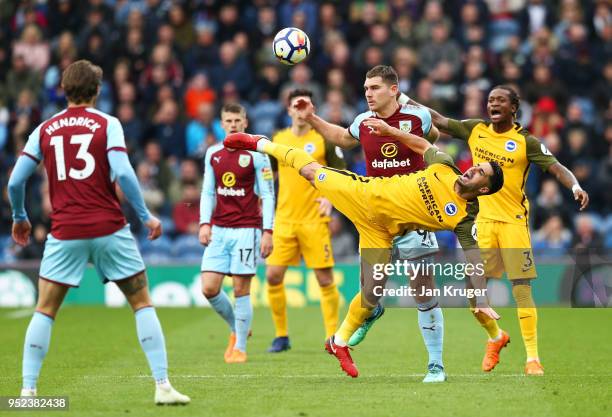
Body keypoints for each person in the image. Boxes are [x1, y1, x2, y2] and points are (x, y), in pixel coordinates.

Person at [223, 119, 504, 378]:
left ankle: (339, 342)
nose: (473, 169)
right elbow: (422, 144)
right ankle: (259, 142)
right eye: (477, 166)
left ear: (483, 189)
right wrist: (390, 131)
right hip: (363, 194)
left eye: (481, 173)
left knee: (372, 292)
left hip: (380, 232)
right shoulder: (444, 165)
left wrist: (480, 299)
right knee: (310, 171)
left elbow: (473, 258)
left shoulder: (466, 218)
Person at [7, 60, 189, 404]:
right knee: (141, 302)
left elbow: (16, 180)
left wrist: (20, 216)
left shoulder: (44, 129)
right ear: (97, 91)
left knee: (45, 309)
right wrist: (146, 215)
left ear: (64, 90)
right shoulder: (108, 124)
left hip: (65, 232)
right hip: (109, 228)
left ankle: (28, 391)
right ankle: (162, 386)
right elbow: (123, 172)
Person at [405, 85, 589, 375]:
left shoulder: (525, 141)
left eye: (500, 100)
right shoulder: (476, 129)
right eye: (490, 100)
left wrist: (575, 186)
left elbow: (555, 166)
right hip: (483, 222)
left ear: (513, 107)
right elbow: (438, 120)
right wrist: (403, 100)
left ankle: (532, 359)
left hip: (514, 222)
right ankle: (496, 336)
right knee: (474, 295)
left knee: (522, 291)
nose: (493, 104)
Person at [298, 64, 450, 383]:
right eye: (366, 88)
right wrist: (312, 118)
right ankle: (374, 309)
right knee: (372, 290)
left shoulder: (416, 118)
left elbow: (433, 139)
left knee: (422, 290)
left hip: (412, 214)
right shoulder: (362, 122)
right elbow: (341, 136)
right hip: (375, 216)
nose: (368, 93)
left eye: (375, 88)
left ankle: (436, 365)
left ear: (394, 89)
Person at [265, 89, 344, 353]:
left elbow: (340, 174)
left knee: (324, 279)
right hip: (284, 220)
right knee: (273, 276)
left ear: (312, 109)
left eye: (305, 105)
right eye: (295, 105)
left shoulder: (323, 139)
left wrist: (331, 200)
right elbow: (269, 177)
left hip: (314, 220)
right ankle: (281, 335)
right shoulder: (278, 140)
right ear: (288, 110)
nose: (300, 110)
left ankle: (333, 337)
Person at [199, 103, 275, 363]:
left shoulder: (257, 155)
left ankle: (240, 347)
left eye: (237, 120)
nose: (232, 125)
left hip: (247, 230)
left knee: (241, 289)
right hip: (218, 230)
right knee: (209, 288)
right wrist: (204, 223)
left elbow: (267, 194)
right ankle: (237, 327)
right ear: (222, 124)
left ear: (245, 122)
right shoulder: (213, 153)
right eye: (228, 120)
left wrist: (268, 231)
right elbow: (208, 191)